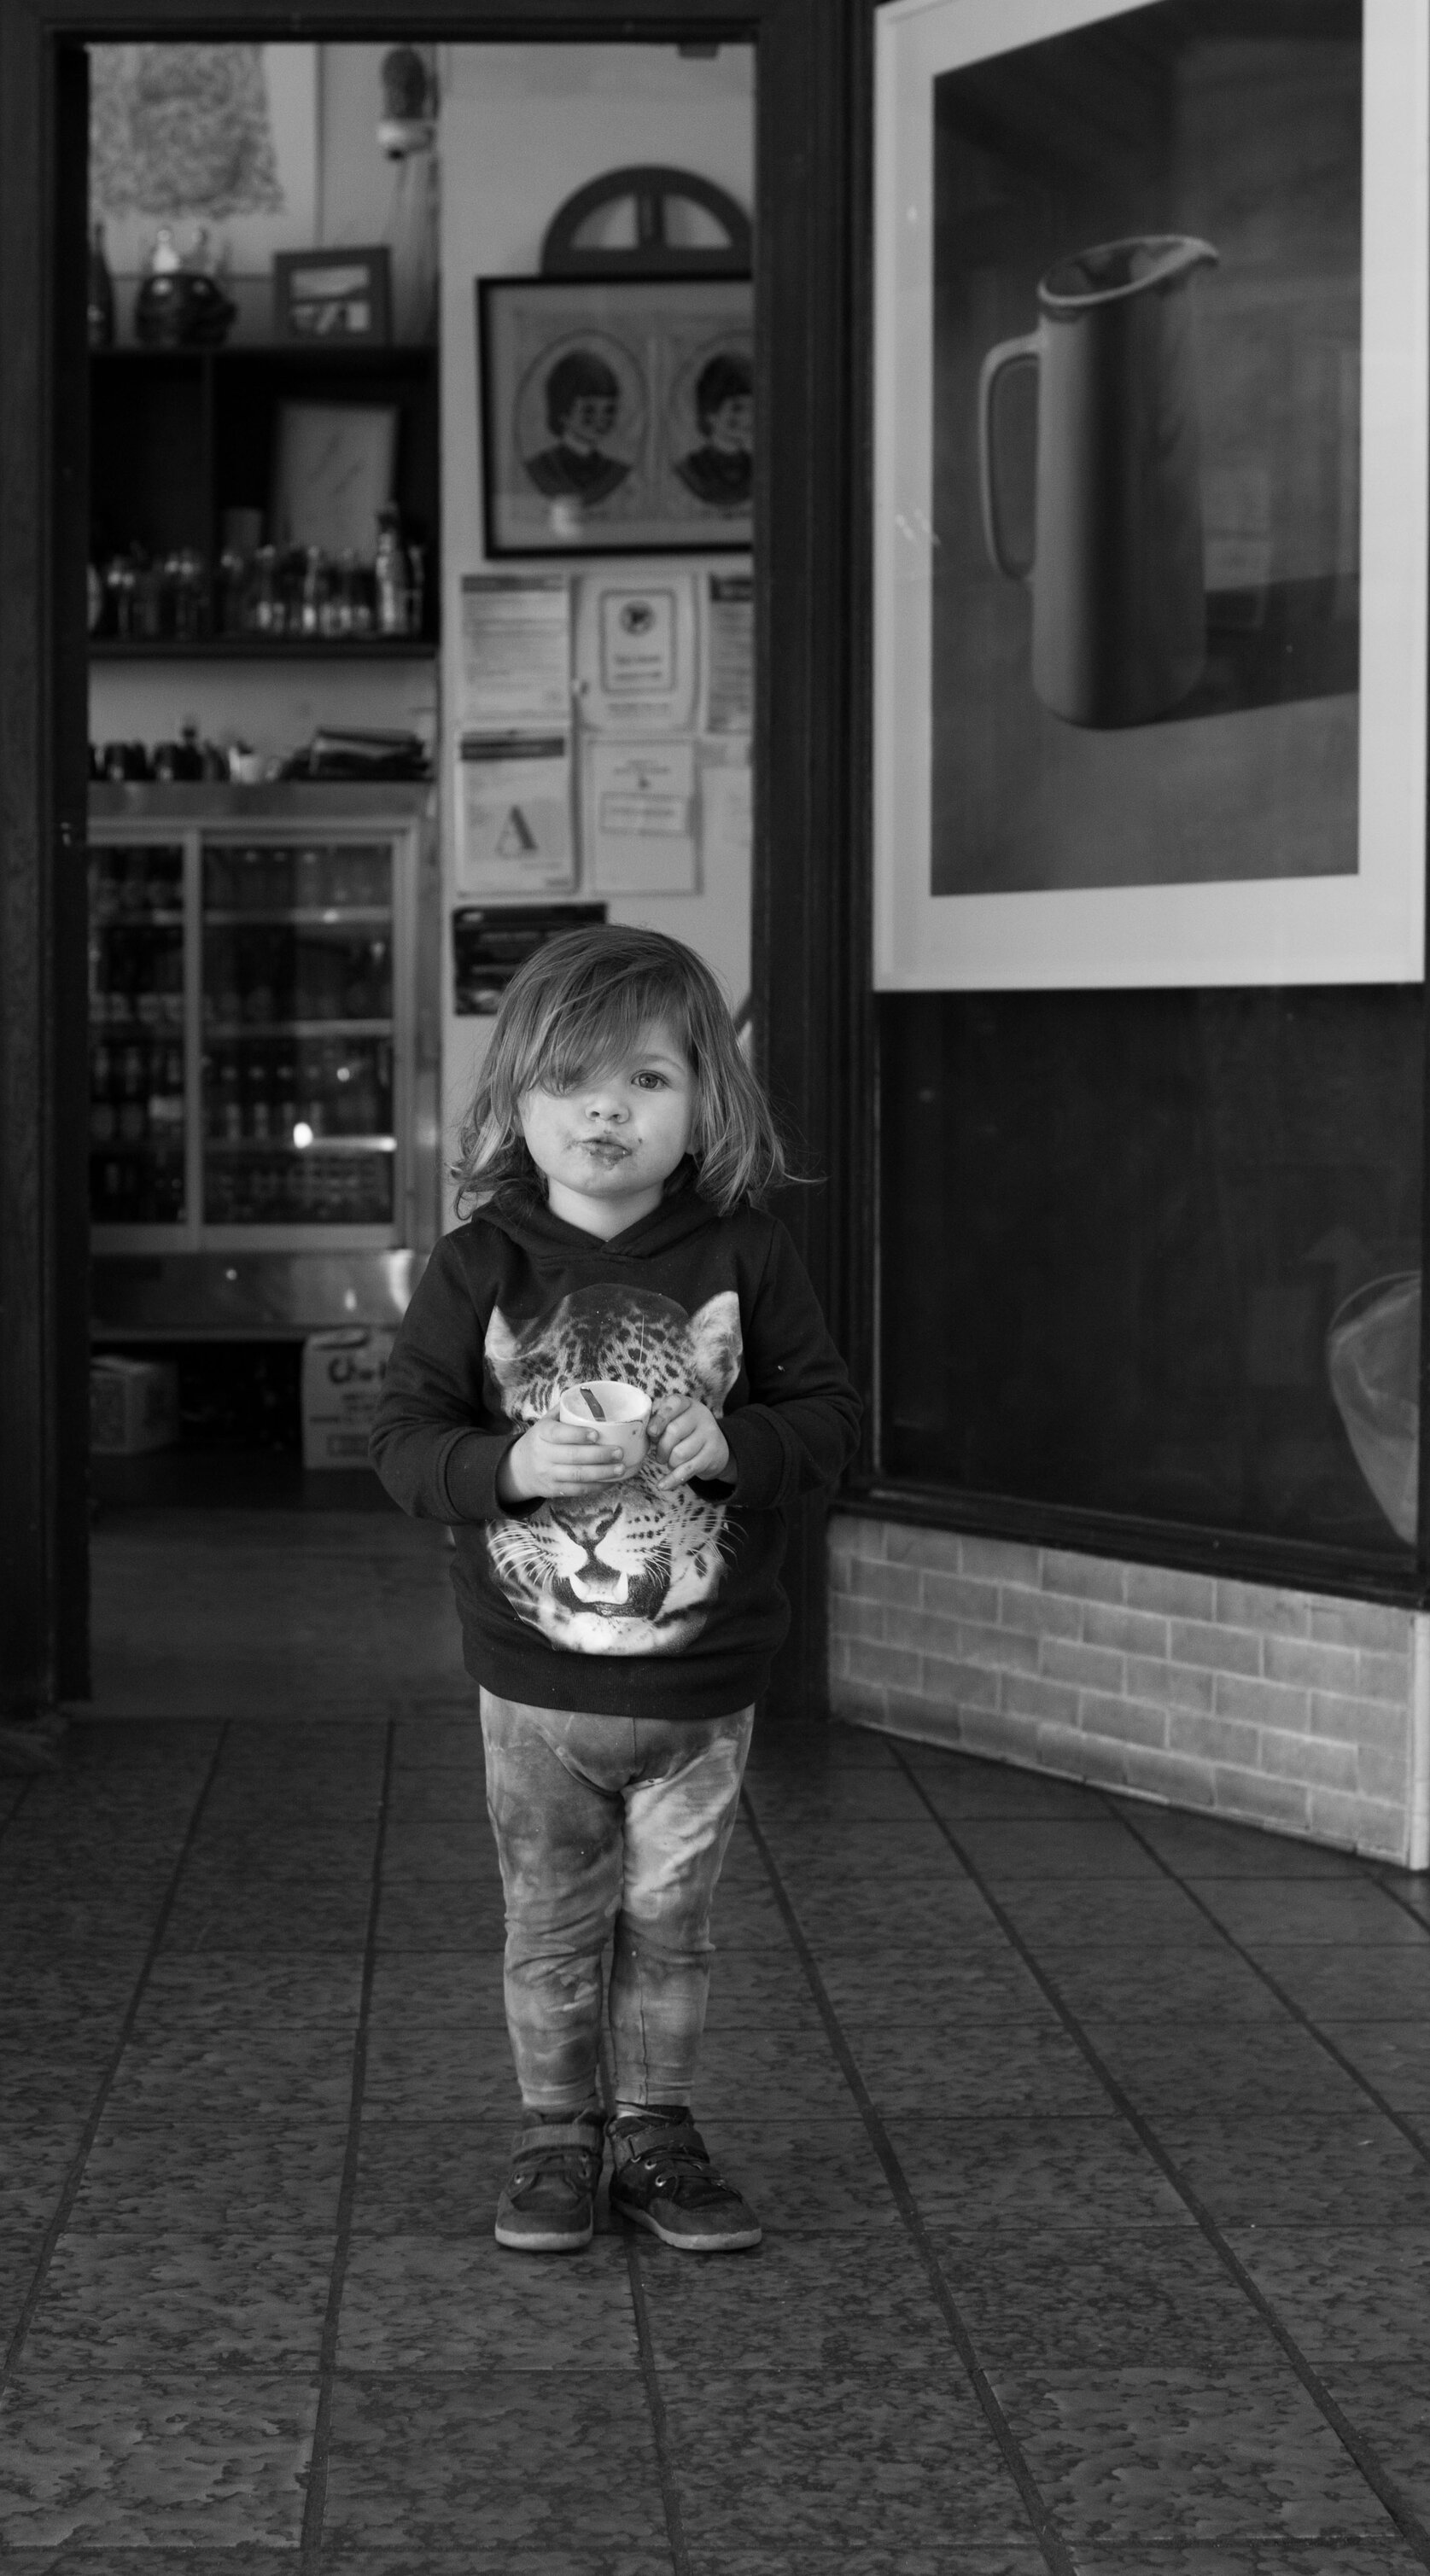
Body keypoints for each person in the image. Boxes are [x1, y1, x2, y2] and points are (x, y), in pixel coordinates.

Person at [370, 925, 860, 2256]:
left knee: (672, 1932)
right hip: (532, 1688)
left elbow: (827, 1421)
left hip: (706, 1687)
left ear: (706, 1098)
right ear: (514, 1099)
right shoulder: (480, 1266)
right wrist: (510, 1461)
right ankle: (553, 2134)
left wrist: (738, 1443)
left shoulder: (747, 1254)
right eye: (572, 1078)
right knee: (549, 1924)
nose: (605, 1107)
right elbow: (404, 1442)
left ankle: (656, 2129)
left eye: (645, 1079)